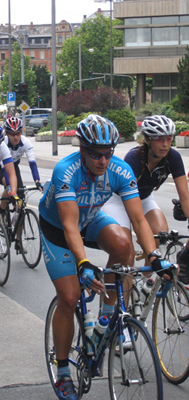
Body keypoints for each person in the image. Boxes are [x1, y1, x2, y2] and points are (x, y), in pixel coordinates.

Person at [38, 114, 172, 400]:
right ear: (82, 150)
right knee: (70, 297)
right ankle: (63, 371)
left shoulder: (120, 170)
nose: (102, 161)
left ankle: (105, 320)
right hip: (58, 229)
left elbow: (138, 221)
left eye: (108, 153)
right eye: (96, 155)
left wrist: (155, 257)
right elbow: (70, 225)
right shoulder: (66, 170)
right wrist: (84, 263)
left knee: (123, 244)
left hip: (90, 219)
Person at [102, 115, 189, 278]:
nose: (165, 144)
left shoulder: (173, 158)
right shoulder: (134, 158)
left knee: (160, 234)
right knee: (127, 254)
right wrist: (141, 232)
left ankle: (145, 285)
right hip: (119, 201)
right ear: (148, 140)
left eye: (169, 139)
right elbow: (134, 211)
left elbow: (185, 196)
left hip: (144, 198)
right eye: (159, 139)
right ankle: (118, 300)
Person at [0, 116, 42, 252]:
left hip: (14, 168)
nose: (15, 137)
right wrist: (9, 186)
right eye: (12, 134)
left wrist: (37, 182)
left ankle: (19, 241)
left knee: (20, 205)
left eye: (18, 133)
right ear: (7, 133)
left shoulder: (25, 142)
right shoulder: (2, 143)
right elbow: (5, 169)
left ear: (21, 132)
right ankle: (2, 212)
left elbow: (32, 163)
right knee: (8, 187)